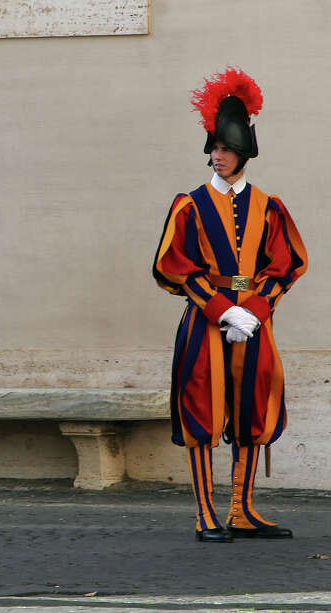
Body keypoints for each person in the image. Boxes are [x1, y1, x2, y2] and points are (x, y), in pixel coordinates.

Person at [153, 68, 307, 543]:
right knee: (202, 407)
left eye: (223, 149)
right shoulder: (190, 205)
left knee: (250, 408)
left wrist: (254, 313)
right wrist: (223, 310)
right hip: (206, 320)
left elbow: (286, 266)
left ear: (243, 153)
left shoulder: (269, 205)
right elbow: (172, 265)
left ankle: (242, 510)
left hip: (254, 323)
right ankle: (205, 514)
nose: (215, 156)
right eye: (213, 149)